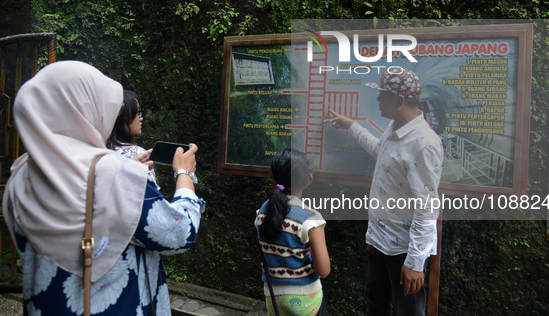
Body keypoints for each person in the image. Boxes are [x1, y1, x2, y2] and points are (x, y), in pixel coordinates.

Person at [2, 61, 205, 316]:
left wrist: (121, 171)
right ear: (85, 109)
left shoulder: (20, 175)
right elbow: (179, 234)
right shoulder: (115, 174)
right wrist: (184, 174)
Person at [324, 69, 443, 316]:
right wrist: (353, 126)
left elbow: (428, 207)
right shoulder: (395, 126)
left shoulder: (424, 144)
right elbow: (382, 152)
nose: (378, 100)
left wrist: (414, 263)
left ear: (399, 100)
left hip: (403, 248)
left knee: (408, 311)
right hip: (378, 238)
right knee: (376, 304)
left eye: (382, 95)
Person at [254, 148, 330, 316]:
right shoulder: (311, 219)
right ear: (308, 180)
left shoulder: (262, 213)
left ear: (273, 178)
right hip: (307, 300)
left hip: (273, 297)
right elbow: (323, 270)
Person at [107, 90, 158, 187]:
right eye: (137, 112)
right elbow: (151, 198)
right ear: (124, 117)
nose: (141, 118)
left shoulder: (95, 151)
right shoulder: (138, 153)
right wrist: (183, 171)